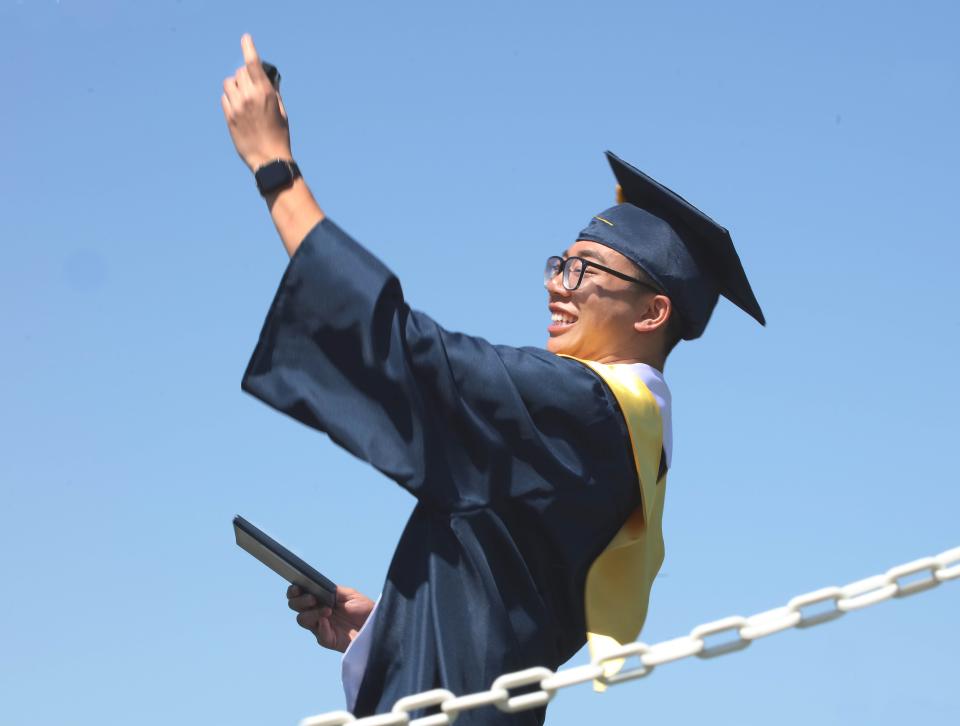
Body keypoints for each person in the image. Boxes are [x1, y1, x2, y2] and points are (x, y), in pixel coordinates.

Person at [221, 34, 764, 724]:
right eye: (557, 265)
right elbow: (507, 599)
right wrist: (389, 627)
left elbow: (415, 358)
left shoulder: (589, 410)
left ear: (654, 311)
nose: (557, 288)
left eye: (584, 271)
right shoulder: (628, 442)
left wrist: (275, 170)